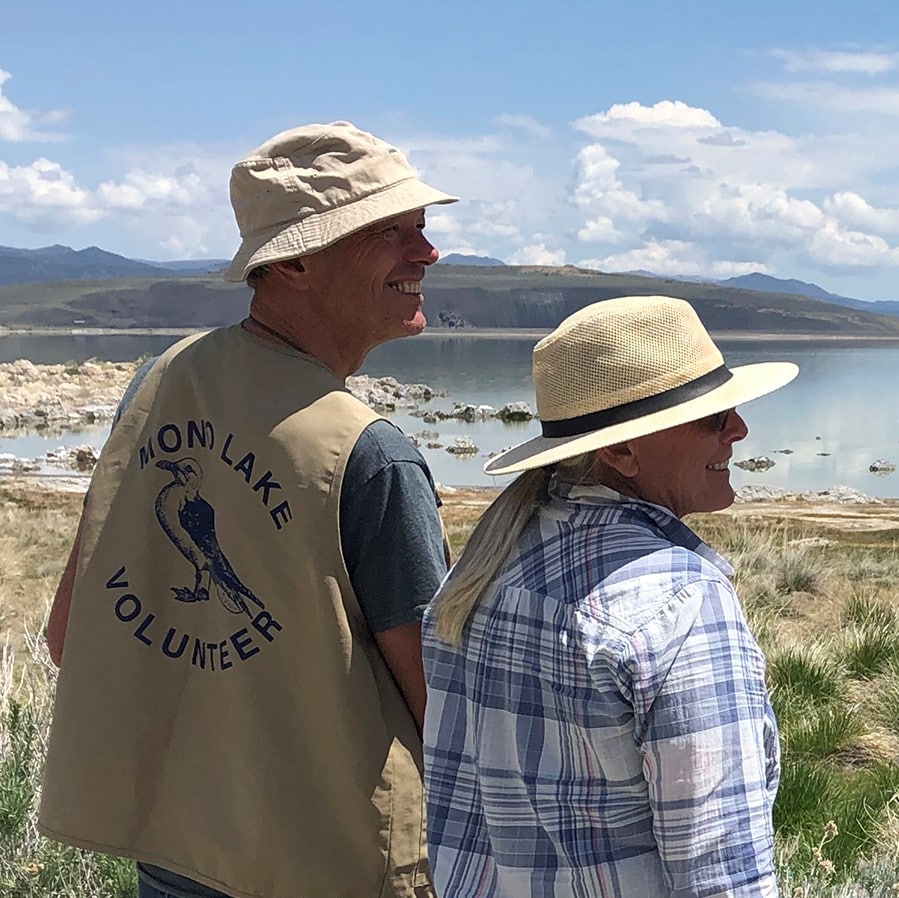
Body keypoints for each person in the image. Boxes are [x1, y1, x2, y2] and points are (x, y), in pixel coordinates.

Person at [39, 121, 458, 898]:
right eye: (391, 232)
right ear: (295, 260)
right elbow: (447, 721)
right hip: (331, 863)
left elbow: (72, 633)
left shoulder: (160, 382)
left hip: (175, 849)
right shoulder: (368, 454)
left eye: (423, 230)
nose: (427, 253)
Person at [422, 295, 798, 898]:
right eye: (713, 415)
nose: (739, 429)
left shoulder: (482, 568)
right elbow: (723, 879)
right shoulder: (679, 603)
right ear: (621, 450)